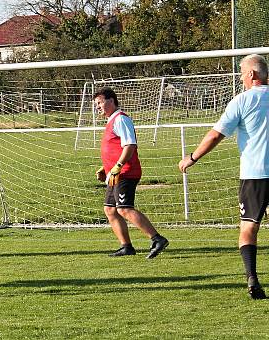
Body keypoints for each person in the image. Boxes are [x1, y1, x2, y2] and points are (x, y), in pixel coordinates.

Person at [179, 54, 269, 300]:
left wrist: (192, 157)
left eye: (241, 72)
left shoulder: (242, 100)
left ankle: (251, 277)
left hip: (254, 174)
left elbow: (215, 135)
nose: (240, 77)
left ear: (252, 74)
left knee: (249, 228)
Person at [94, 87, 169, 259]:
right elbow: (115, 148)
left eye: (100, 102)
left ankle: (157, 239)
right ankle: (126, 246)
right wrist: (104, 168)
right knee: (110, 210)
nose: (97, 107)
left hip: (125, 172)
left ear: (111, 101)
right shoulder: (112, 120)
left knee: (124, 209)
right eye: (96, 104)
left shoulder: (121, 119)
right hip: (115, 173)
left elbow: (130, 146)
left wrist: (118, 166)